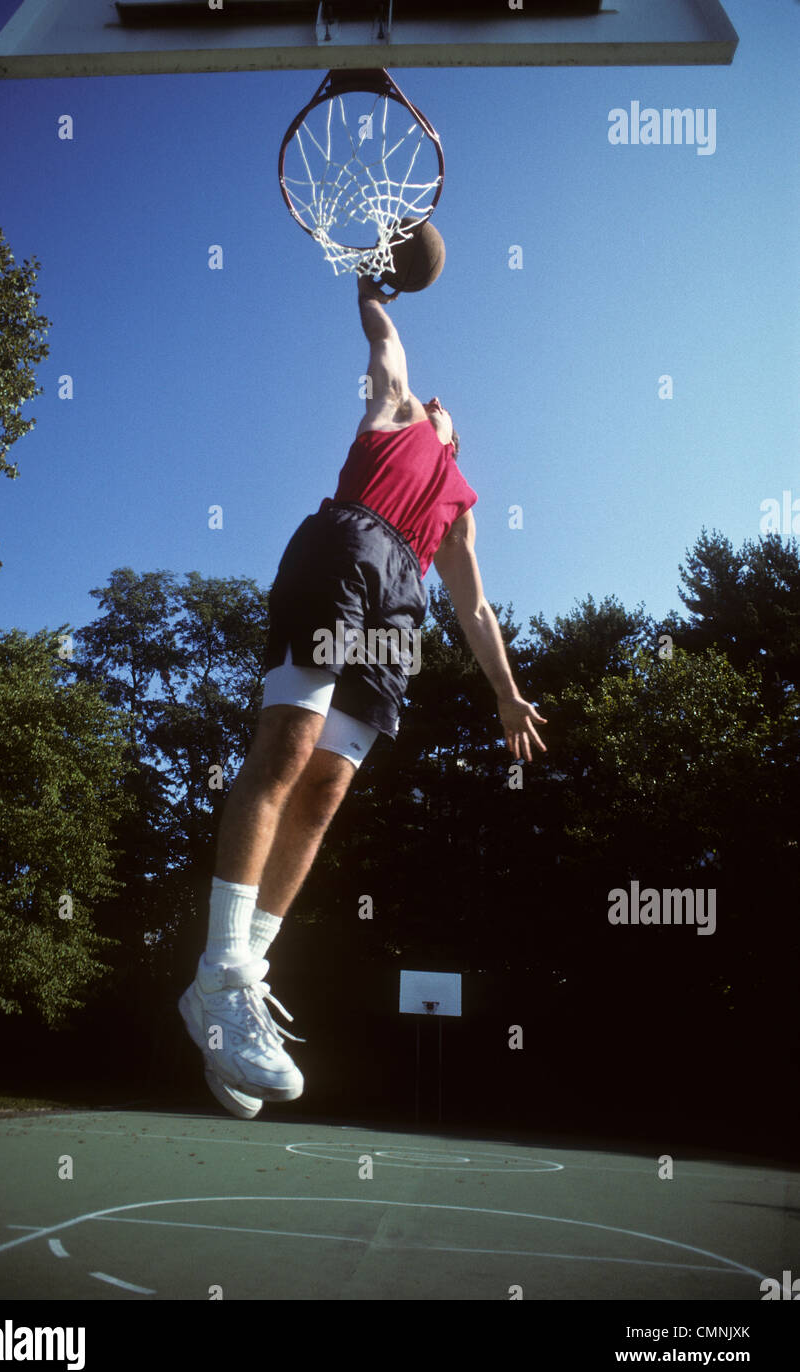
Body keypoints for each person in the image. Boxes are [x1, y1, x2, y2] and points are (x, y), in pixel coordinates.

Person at [179, 275, 547, 1117]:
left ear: (465, 438)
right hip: (346, 550)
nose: (442, 403)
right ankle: (219, 974)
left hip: (401, 599)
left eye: (454, 409)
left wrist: (506, 695)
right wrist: (370, 291)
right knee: (286, 750)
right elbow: (385, 348)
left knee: (326, 791)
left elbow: (477, 608)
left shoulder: (457, 512)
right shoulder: (398, 414)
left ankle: (235, 998)